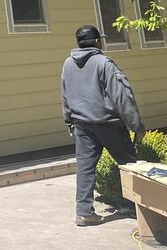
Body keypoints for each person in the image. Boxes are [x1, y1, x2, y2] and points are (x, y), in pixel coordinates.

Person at [60, 24, 144, 226]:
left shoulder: (68, 64)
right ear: (97, 41)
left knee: (85, 167)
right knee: (129, 164)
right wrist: (136, 125)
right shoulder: (104, 63)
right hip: (108, 124)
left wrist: (69, 120)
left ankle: (84, 212)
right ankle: (132, 206)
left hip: (81, 124)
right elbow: (121, 97)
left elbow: (65, 94)